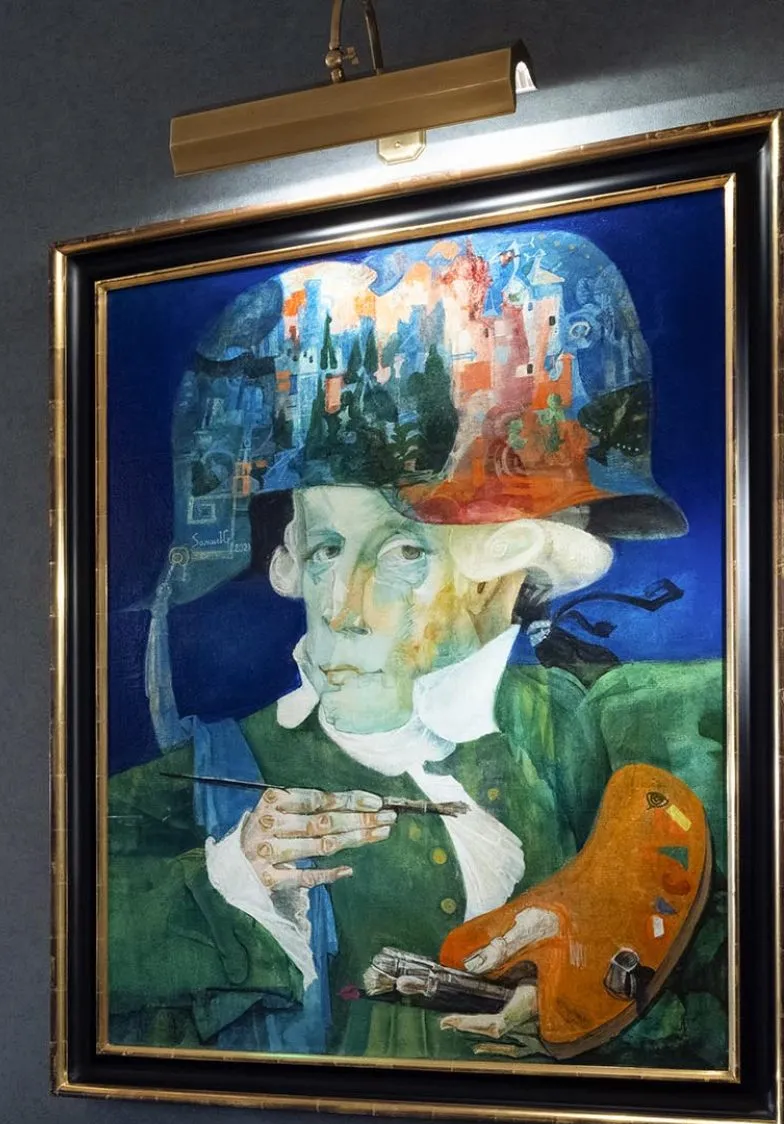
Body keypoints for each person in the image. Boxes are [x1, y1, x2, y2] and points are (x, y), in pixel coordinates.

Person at [105, 231, 725, 1066]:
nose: (340, 608)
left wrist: (584, 990)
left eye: (401, 552)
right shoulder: (214, 771)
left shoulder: (594, 737)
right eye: (324, 550)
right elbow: (60, 930)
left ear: (509, 567)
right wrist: (234, 877)